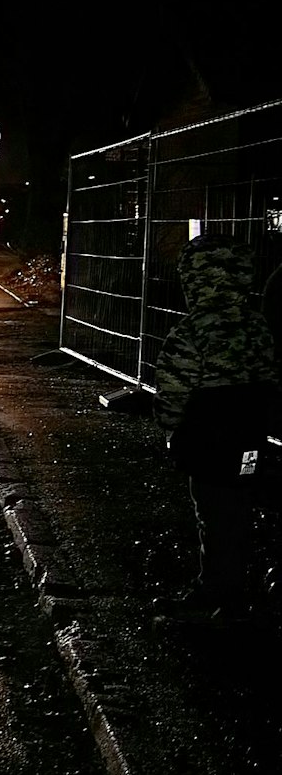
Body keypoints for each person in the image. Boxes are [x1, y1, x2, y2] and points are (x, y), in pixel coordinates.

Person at [151, 232, 281, 621]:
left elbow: (172, 390)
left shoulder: (191, 332)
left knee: (213, 513)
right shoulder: (256, 326)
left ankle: (217, 592)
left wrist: (171, 429)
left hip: (206, 442)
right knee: (239, 507)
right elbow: (269, 377)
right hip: (248, 439)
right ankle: (237, 583)